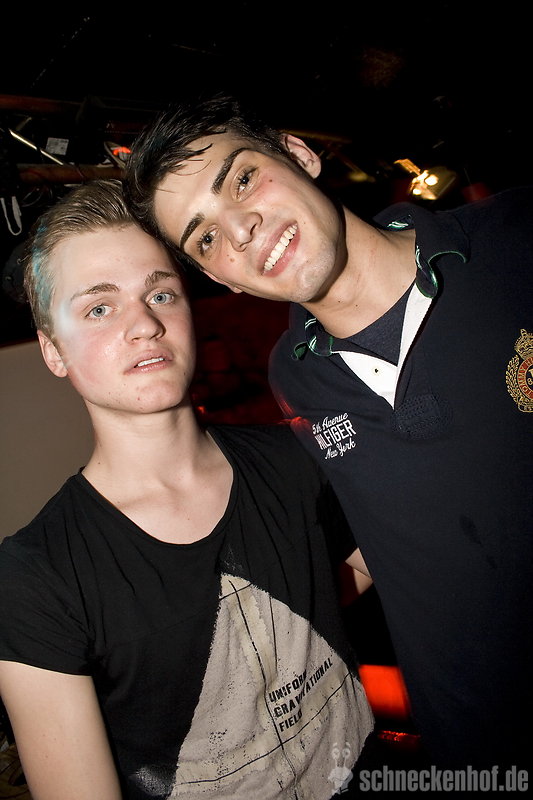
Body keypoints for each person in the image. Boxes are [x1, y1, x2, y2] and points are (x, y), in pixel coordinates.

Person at [123, 93, 533, 771]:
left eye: (242, 179)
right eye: (205, 239)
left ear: (299, 154)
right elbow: (391, 538)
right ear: (216, 275)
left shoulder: (515, 238)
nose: (240, 232)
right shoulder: (297, 378)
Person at [0, 180, 375, 800]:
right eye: (98, 308)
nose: (145, 324)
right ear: (53, 351)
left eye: (160, 294)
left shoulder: (299, 457)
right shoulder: (35, 575)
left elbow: (355, 573)